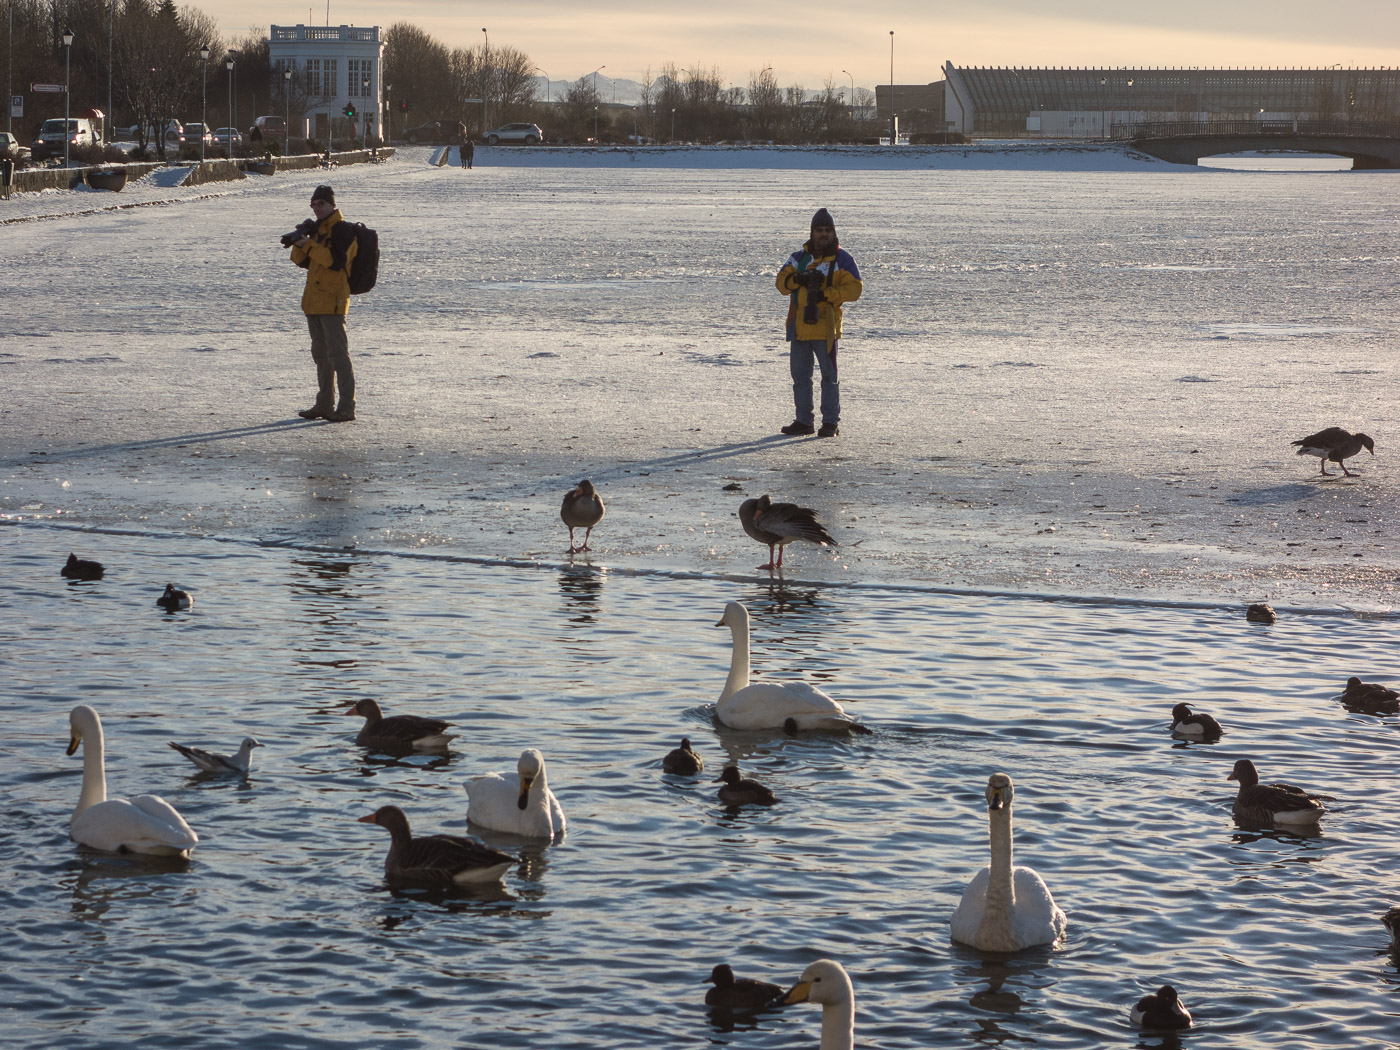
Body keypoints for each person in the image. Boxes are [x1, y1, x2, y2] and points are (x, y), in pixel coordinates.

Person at [774, 208, 862, 438]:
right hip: (799, 327)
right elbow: (780, 283)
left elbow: (854, 289)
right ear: (812, 233)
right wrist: (797, 280)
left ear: (833, 233)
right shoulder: (799, 258)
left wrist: (826, 294)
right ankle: (804, 421)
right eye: (819, 230)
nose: (823, 235)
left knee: (829, 378)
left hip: (826, 329)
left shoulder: (843, 259)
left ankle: (830, 422)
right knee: (800, 378)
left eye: (827, 230)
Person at [290, 185, 359, 422]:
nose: (317, 208)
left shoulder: (343, 230)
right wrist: (301, 240)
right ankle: (324, 404)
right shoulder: (318, 230)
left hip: (333, 301)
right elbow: (301, 262)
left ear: (332, 204)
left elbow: (334, 262)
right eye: (313, 204)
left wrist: (308, 244)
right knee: (320, 355)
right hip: (314, 301)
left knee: (338, 356)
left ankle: (347, 407)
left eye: (321, 204)